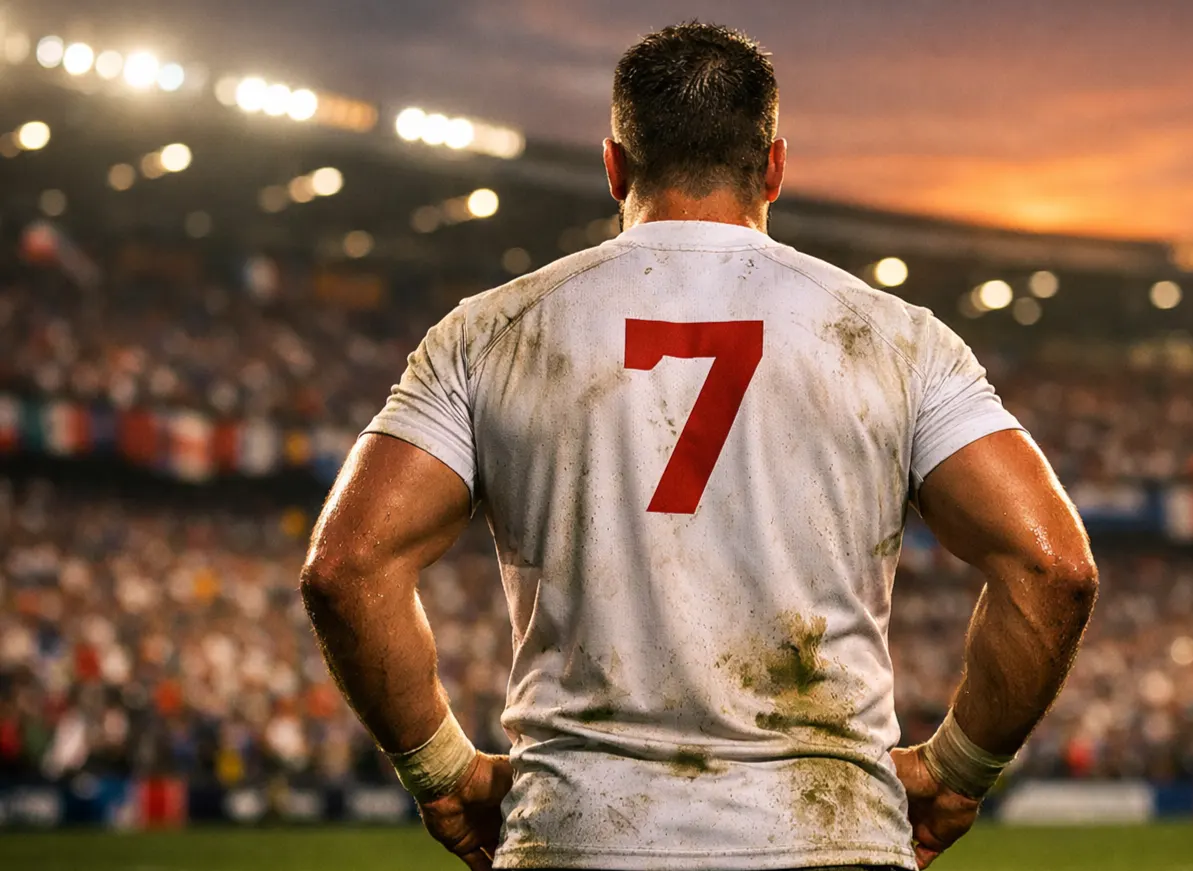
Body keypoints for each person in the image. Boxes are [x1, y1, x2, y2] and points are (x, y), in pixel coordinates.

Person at [300, 21, 1097, 871]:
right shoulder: (897, 339)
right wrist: (956, 770)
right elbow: (1052, 567)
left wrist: (441, 771)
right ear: (774, 167)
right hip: (828, 833)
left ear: (614, 166)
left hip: (579, 831)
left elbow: (347, 567)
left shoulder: (488, 333)